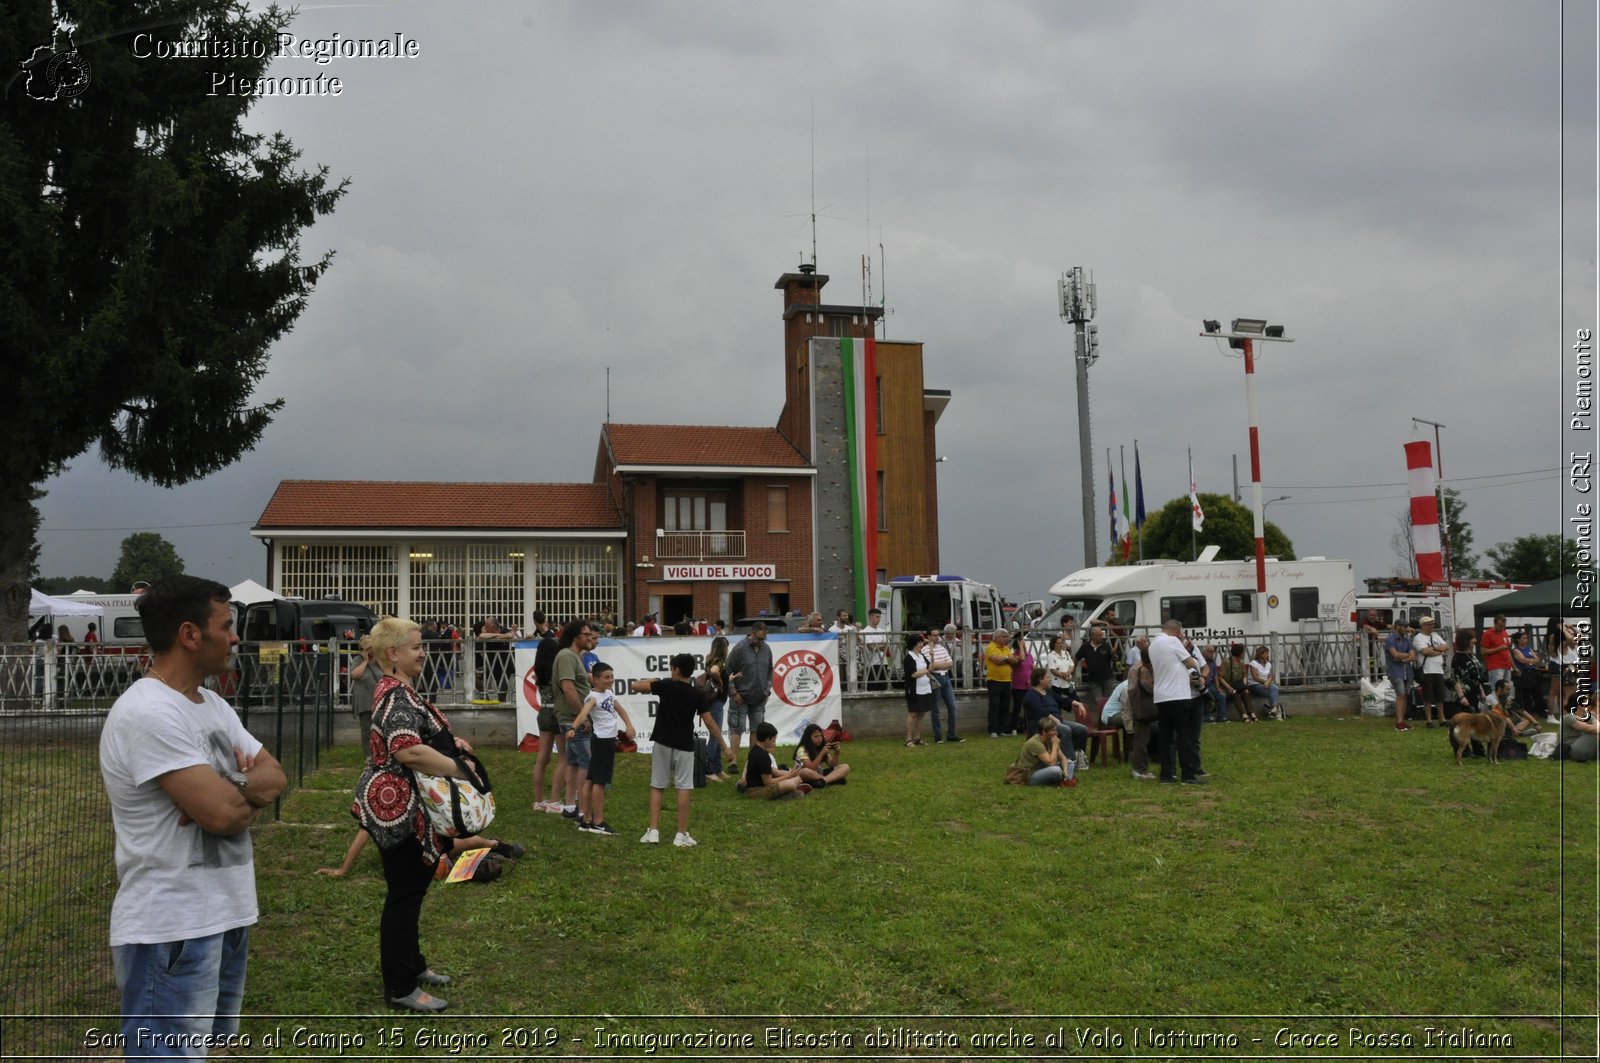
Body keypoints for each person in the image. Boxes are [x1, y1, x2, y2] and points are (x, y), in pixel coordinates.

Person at [99, 576, 288, 1050]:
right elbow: (224, 817)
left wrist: (230, 787)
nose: (235, 637)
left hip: (225, 913)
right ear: (189, 635)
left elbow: (275, 777)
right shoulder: (149, 712)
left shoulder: (213, 705)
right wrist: (238, 795)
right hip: (171, 929)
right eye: (226, 625)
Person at [352, 617, 481, 1012]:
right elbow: (407, 750)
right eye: (416, 646)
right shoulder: (394, 695)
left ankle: (412, 965)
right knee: (404, 895)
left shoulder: (400, 691)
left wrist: (449, 742)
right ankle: (401, 987)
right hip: (399, 811)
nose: (423, 652)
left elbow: (418, 739)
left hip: (408, 809)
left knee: (411, 892)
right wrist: (459, 767)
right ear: (393, 654)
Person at [633, 653, 727, 846]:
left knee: (658, 785)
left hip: (662, 741)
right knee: (683, 787)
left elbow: (636, 685)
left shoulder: (665, 685)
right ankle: (681, 833)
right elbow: (709, 722)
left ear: (676, 669)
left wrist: (657, 680)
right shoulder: (697, 694)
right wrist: (725, 747)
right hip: (685, 744)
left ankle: (653, 831)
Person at [571, 662, 634, 837]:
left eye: (612, 677)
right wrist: (573, 727)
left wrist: (629, 725)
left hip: (607, 740)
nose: (610, 680)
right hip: (601, 741)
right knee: (599, 781)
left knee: (591, 779)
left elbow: (620, 710)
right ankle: (598, 822)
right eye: (606, 677)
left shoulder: (609, 694)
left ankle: (586, 820)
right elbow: (583, 713)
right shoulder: (593, 697)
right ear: (596, 679)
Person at [554, 620, 599, 823]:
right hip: (573, 718)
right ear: (575, 637)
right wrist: (583, 717)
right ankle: (583, 808)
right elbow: (568, 689)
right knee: (586, 762)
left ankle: (570, 805)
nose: (590, 638)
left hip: (572, 718)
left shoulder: (574, 656)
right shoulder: (566, 656)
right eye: (586, 634)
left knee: (572, 762)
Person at [1150, 619, 1205, 784]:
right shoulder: (1173, 641)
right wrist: (1184, 646)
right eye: (1181, 632)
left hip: (1161, 696)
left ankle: (1167, 775)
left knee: (1165, 737)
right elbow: (1191, 663)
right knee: (1184, 736)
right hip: (1178, 695)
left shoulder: (1153, 644)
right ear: (1176, 631)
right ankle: (1187, 775)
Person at [726, 623, 774, 773]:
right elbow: (727, 670)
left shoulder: (767, 649)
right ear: (752, 633)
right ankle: (733, 761)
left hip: (759, 697)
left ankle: (752, 761)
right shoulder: (739, 648)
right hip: (740, 696)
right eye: (759, 638)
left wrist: (767, 691)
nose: (761, 641)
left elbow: (770, 671)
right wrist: (733, 692)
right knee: (736, 729)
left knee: (757, 730)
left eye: (763, 638)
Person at [530, 626, 566, 813]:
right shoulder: (558, 671)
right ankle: (554, 800)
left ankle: (538, 800)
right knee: (563, 757)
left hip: (543, 711)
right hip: (558, 713)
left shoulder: (540, 672)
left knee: (542, 757)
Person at [742, 721, 811, 798]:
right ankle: (790, 793)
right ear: (768, 739)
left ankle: (790, 792)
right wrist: (789, 775)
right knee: (790, 784)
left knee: (796, 779)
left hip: (755, 787)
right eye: (773, 740)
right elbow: (768, 783)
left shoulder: (754, 750)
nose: (773, 743)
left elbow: (772, 772)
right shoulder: (763, 756)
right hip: (756, 791)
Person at [697, 636, 732, 781]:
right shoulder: (719, 661)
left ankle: (717, 769)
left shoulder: (709, 658)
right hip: (716, 700)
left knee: (716, 736)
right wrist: (720, 681)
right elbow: (714, 672)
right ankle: (710, 770)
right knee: (715, 737)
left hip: (712, 699)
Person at [1006, 714, 1074, 787]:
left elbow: (1063, 758)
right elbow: (1051, 763)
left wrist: (1066, 772)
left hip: (1043, 769)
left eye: (1055, 730)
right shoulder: (1035, 743)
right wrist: (1054, 746)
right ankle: (1061, 781)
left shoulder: (1050, 739)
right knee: (1056, 770)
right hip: (1030, 775)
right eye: (1053, 730)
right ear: (1044, 732)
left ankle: (1066, 781)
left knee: (1070, 763)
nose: (1056, 733)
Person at [1124, 646, 1157, 779]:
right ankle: (1140, 769)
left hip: (1135, 706)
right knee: (1142, 739)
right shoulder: (1143, 669)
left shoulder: (1135, 666)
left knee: (1141, 738)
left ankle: (1139, 768)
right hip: (1142, 707)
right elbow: (1149, 687)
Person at [926, 625, 962, 743]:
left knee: (952, 706)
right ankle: (938, 736)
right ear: (929, 637)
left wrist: (939, 664)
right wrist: (940, 664)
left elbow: (950, 662)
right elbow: (931, 666)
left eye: (938, 635)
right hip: (935, 679)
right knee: (935, 708)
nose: (937, 637)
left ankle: (951, 734)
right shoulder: (925, 650)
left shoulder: (942, 648)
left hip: (946, 678)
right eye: (934, 635)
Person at [1411, 615, 1449, 728]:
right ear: (1422, 625)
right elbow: (1425, 651)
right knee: (1428, 697)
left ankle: (1442, 718)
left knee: (1440, 696)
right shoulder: (1418, 638)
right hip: (1427, 670)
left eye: (1432, 624)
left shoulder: (1436, 636)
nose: (1431, 626)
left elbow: (1446, 646)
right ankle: (1429, 720)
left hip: (1439, 670)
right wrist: (1439, 650)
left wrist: (1435, 649)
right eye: (1429, 624)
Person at [984, 629, 1020, 737]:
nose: (1007, 639)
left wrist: (1006, 658)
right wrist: (1007, 658)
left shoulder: (1006, 648)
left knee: (1005, 706)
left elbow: (1015, 661)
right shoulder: (990, 647)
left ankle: (1003, 730)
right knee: (994, 705)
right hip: (994, 680)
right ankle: (993, 730)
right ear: (998, 637)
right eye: (1004, 637)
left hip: (1006, 680)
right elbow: (997, 660)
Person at [903, 632, 934, 747]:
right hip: (915, 689)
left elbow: (931, 667)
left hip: (925, 688)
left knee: (922, 713)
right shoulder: (909, 657)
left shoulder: (922, 656)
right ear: (914, 644)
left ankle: (917, 737)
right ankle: (908, 739)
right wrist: (927, 671)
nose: (921, 645)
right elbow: (913, 674)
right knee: (913, 714)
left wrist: (932, 655)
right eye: (919, 643)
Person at [1448, 628, 1487, 720]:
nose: (1475, 641)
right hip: (1465, 693)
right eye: (1472, 638)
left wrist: (1482, 691)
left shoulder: (1472, 656)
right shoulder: (1458, 658)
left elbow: (1477, 676)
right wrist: (1462, 697)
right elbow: (1455, 679)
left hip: (1475, 692)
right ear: (1465, 640)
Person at [1384, 621, 1416, 731]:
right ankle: (1399, 722)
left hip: (1407, 671)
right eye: (1404, 626)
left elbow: (1413, 656)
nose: (1407, 628)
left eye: (1407, 626)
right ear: (1397, 627)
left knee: (1405, 696)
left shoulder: (1407, 641)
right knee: (1400, 695)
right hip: (1395, 671)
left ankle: (1402, 721)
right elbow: (1394, 654)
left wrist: (1401, 658)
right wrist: (1406, 655)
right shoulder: (1390, 639)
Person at [1074, 624, 1117, 702]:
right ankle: (1100, 713)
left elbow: (1114, 660)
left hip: (1107, 678)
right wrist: (1072, 670)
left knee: (1108, 701)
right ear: (1092, 636)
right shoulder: (1085, 646)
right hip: (1093, 680)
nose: (1101, 637)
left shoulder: (1106, 645)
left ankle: (1106, 714)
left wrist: (1114, 654)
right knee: (1099, 701)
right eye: (1099, 635)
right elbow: (1077, 658)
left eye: (1101, 635)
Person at [1040, 633, 1078, 718]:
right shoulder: (1051, 655)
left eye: (1061, 642)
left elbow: (1072, 665)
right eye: (1058, 643)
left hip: (1068, 682)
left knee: (1076, 699)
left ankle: (1080, 718)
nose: (1060, 644)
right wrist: (1063, 676)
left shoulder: (1066, 653)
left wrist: (1068, 673)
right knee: (1058, 703)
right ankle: (1059, 719)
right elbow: (1053, 669)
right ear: (1054, 644)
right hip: (1057, 683)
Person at [349, 635, 379, 736]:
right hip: (365, 703)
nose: (372, 651)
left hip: (379, 702)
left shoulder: (379, 660)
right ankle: (368, 752)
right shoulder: (358, 660)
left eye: (373, 648)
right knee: (367, 731)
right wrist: (365, 661)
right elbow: (354, 675)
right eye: (369, 649)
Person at [1510, 630, 1543, 721]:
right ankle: (1528, 713)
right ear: (1518, 639)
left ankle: (1539, 711)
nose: (1526, 640)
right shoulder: (1516, 650)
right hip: (1524, 674)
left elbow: (1537, 658)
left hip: (1532, 672)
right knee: (1526, 695)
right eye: (1524, 638)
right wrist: (1532, 661)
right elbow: (1522, 660)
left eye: (1526, 638)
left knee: (1537, 693)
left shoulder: (1528, 649)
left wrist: (1531, 661)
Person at [1219, 643, 1255, 723]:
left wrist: (1244, 686)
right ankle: (1243, 715)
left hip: (1238, 685)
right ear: (1239, 653)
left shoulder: (1241, 663)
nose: (1243, 654)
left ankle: (1251, 713)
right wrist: (1229, 687)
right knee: (1235, 694)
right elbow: (1221, 676)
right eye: (1243, 652)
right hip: (1228, 685)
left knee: (1245, 693)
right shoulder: (1226, 662)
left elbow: (1244, 675)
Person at [1245, 646, 1282, 720]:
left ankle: (1274, 709)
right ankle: (1275, 710)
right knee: (1274, 690)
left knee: (1273, 689)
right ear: (1260, 654)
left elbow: (1270, 676)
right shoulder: (1254, 663)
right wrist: (1265, 682)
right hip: (1254, 684)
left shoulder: (1268, 664)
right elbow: (1255, 677)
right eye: (1266, 653)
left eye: (1268, 653)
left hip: (1266, 684)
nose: (1268, 655)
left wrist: (1267, 682)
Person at [859, 609, 891, 690]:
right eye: (877, 617)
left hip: (883, 663)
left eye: (880, 617)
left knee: (884, 688)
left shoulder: (882, 631)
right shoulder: (865, 631)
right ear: (871, 617)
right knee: (872, 688)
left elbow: (886, 647)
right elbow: (872, 647)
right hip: (871, 664)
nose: (879, 619)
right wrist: (880, 645)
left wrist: (877, 645)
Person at [1480, 615, 1513, 687]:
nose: (1502, 628)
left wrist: (1513, 666)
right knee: (1496, 688)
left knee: (1507, 688)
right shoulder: (1488, 634)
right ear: (1495, 624)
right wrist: (1499, 648)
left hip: (1507, 665)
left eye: (1504, 626)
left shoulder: (1504, 633)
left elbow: (1508, 651)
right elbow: (1483, 651)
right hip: (1495, 665)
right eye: (1500, 626)